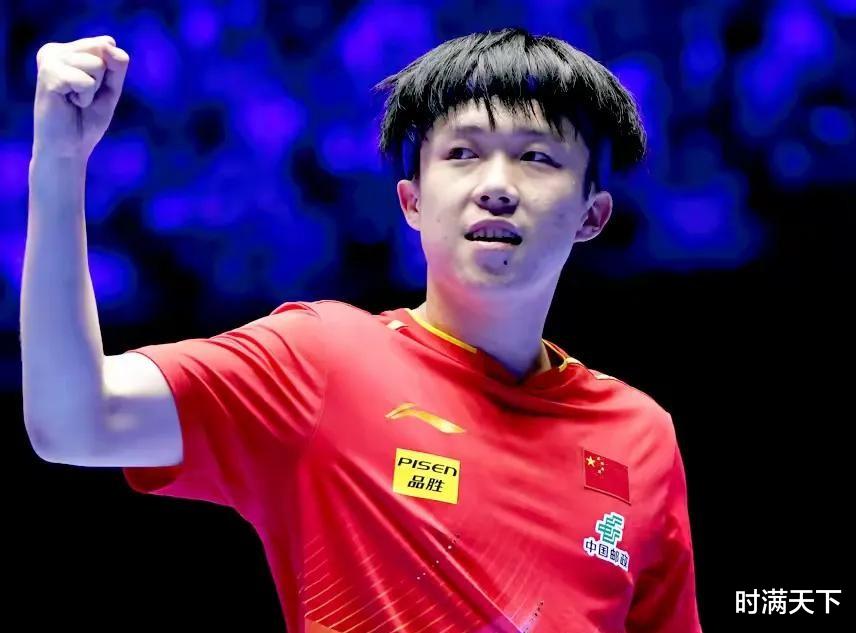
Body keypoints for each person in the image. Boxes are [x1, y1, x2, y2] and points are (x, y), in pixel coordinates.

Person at [21, 27, 703, 632]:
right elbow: (74, 419)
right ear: (412, 201)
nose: (497, 185)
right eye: (463, 153)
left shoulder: (639, 435)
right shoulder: (320, 362)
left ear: (592, 215)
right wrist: (58, 160)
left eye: (538, 157)